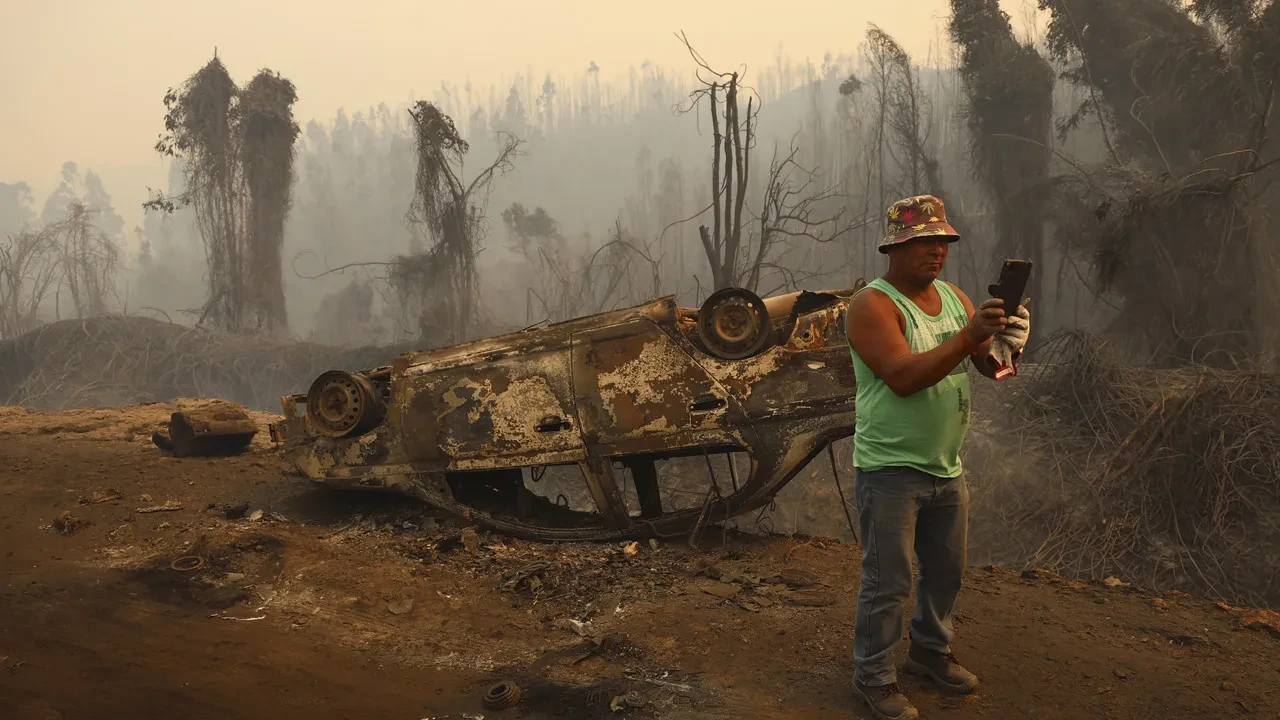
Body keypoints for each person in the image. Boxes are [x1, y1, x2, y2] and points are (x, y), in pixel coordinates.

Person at [845, 194, 1030, 720]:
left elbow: (988, 368)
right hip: (890, 468)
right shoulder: (872, 305)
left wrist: (1007, 346)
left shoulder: (954, 298)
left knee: (947, 571)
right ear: (894, 247)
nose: (936, 252)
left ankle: (928, 651)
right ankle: (874, 676)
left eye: (942, 241)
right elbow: (902, 378)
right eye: (923, 242)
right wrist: (970, 336)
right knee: (888, 580)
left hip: (946, 465)